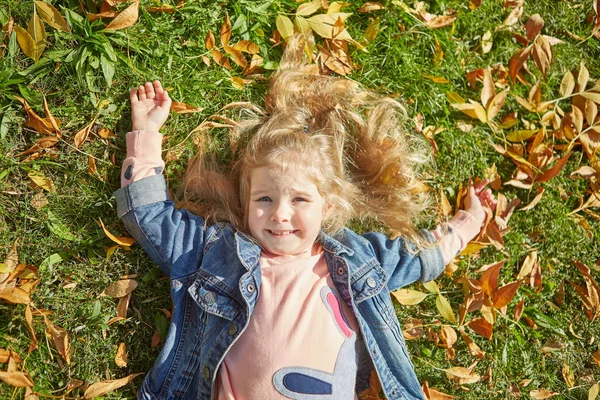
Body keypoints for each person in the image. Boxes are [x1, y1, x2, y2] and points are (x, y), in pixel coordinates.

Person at [115, 35, 496, 400]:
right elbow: (150, 217)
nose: (280, 213)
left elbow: (419, 257)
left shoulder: (355, 263)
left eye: (299, 199)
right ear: (246, 203)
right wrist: (146, 132)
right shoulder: (215, 254)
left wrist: (467, 223)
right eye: (264, 198)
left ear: (327, 207)